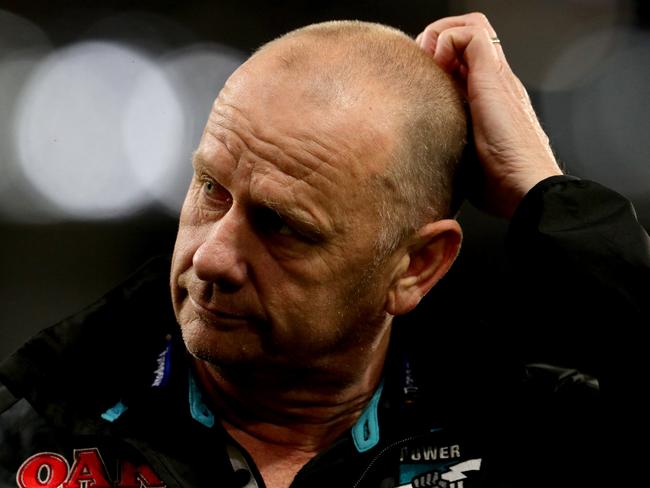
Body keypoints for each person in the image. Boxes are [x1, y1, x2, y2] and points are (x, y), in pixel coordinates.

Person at [0, 12, 647, 488]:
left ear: (416, 266)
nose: (211, 258)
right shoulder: (30, 441)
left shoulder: (535, 441)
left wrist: (550, 196)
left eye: (282, 225)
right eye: (211, 189)